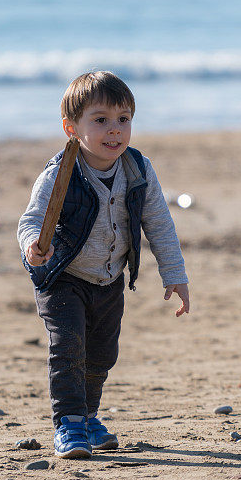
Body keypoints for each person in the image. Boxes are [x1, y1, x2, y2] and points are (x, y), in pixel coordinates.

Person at [17, 71, 190, 459]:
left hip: (109, 279)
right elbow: (30, 220)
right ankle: (69, 424)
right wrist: (32, 245)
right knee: (68, 348)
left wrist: (175, 274)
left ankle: (90, 415)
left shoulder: (138, 170)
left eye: (123, 119)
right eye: (100, 121)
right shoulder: (61, 172)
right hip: (64, 277)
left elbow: (159, 223)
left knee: (101, 355)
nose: (115, 131)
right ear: (71, 127)